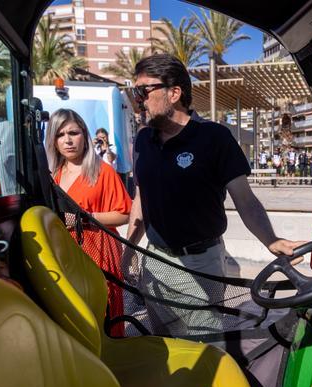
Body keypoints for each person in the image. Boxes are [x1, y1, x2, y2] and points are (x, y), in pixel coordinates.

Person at [126, 53, 301, 330]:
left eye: (143, 90)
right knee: (161, 346)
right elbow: (140, 195)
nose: (138, 99)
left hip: (200, 263)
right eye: (135, 91)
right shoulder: (143, 141)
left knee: (206, 346)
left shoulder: (214, 138)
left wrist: (271, 240)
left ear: (174, 93)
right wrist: (130, 248)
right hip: (155, 259)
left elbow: (245, 200)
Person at [46, 109, 132, 336]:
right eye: (60, 134)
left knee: (102, 321)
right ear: (53, 141)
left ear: (84, 135)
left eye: (73, 132)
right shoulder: (53, 174)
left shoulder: (103, 172)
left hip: (99, 253)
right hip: (65, 255)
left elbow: (124, 214)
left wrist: (84, 218)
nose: (67, 140)